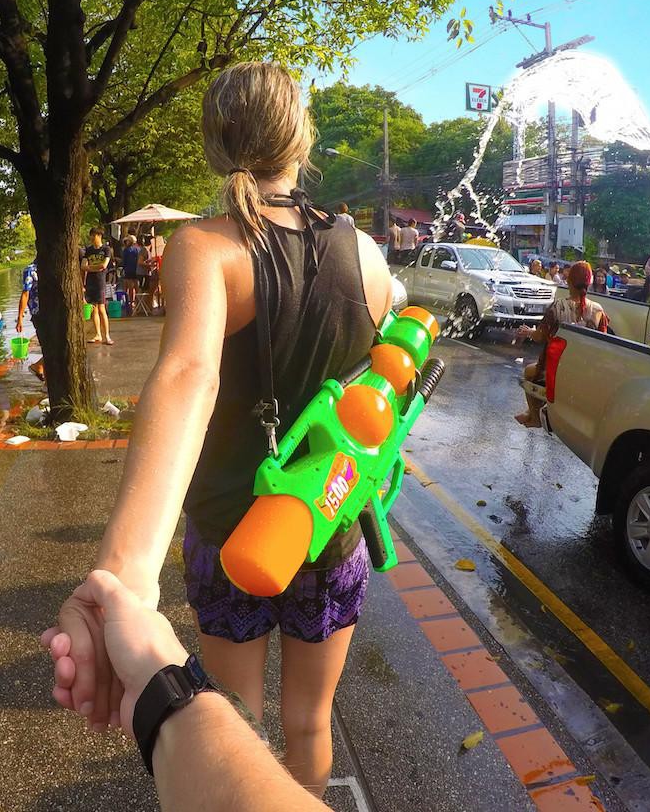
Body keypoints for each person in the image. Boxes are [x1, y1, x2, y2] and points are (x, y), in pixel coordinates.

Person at [47, 62, 392, 798]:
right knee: (310, 723)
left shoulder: (206, 247)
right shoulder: (364, 253)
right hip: (329, 523)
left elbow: (187, 377)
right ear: (302, 138)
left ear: (214, 144)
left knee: (237, 724)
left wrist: (123, 577)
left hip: (231, 535)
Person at [42, 570, 330, 812]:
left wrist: (111, 598)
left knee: (244, 717)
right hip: (328, 555)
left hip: (225, 556)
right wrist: (114, 597)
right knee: (308, 722)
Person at [514, 261, 609, 428]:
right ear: (589, 283)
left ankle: (535, 416)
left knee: (528, 372)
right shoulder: (598, 310)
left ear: (569, 281)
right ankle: (532, 412)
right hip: (585, 370)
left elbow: (539, 337)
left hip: (559, 369)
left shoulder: (558, 306)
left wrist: (529, 332)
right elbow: (603, 342)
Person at [82, 225, 113, 345]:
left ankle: (107, 335)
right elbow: (83, 266)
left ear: (99, 236)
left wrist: (90, 267)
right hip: (90, 282)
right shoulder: (88, 250)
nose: (91, 238)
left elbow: (104, 265)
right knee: (94, 308)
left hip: (100, 281)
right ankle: (98, 334)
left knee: (101, 308)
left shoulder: (106, 249)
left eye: (93, 235)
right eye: (91, 235)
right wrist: (94, 268)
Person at [16, 259, 45, 381]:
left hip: (52, 311)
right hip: (39, 313)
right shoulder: (30, 270)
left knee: (55, 344)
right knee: (50, 346)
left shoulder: (52, 267)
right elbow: (25, 294)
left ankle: (40, 368)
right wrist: (20, 317)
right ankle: (38, 367)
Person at [121, 235, 141, 314]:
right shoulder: (138, 249)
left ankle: (131, 304)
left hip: (128, 270)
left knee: (130, 288)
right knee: (137, 287)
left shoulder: (126, 250)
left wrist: (123, 268)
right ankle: (138, 303)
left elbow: (124, 261)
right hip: (137, 270)